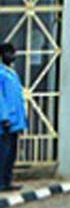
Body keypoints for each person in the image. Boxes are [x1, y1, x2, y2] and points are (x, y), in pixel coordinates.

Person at [0, 43, 27, 191]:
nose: (12, 56)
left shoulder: (11, 73)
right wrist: (4, 117)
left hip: (15, 120)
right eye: (9, 53)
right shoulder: (1, 73)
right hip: (6, 122)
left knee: (11, 153)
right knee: (3, 153)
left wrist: (22, 120)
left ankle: (7, 181)